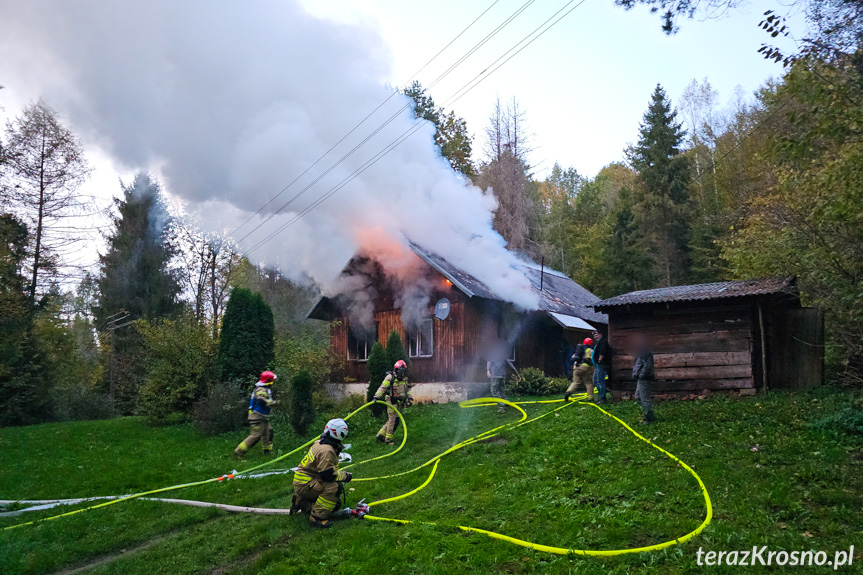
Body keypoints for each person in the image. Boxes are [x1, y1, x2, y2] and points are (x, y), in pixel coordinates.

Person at [290, 418, 353, 528]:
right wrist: (345, 476)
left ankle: (303, 502)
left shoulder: (319, 442)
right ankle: (317, 517)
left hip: (305, 480)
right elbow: (328, 476)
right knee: (334, 487)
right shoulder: (327, 450)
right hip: (306, 484)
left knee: (335, 504)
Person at [234, 371, 278, 458]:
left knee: (268, 432)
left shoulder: (265, 388)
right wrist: (272, 403)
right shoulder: (261, 389)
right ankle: (239, 451)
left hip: (262, 417)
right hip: (257, 416)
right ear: (269, 381)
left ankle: (267, 451)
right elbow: (260, 399)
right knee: (256, 435)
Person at [373, 359, 412, 445]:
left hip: (399, 402)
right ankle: (388, 440)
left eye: (402, 371)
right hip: (391, 401)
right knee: (392, 419)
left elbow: (407, 390)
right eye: (399, 371)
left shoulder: (405, 379)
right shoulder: (390, 377)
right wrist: (376, 397)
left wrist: (410, 399)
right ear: (395, 369)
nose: (401, 373)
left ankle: (381, 434)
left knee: (396, 420)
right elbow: (382, 388)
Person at [632, 335, 656, 424]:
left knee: (644, 398)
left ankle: (649, 418)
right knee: (638, 397)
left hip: (645, 378)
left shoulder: (646, 353)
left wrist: (642, 375)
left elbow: (647, 366)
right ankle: (650, 412)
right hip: (640, 378)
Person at [591, 330, 612, 404]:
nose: (595, 336)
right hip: (598, 365)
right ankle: (601, 395)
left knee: (600, 381)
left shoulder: (603, 342)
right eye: (594, 335)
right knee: (595, 380)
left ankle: (602, 398)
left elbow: (602, 351)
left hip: (601, 364)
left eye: (596, 334)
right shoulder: (599, 342)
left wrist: (600, 359)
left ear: (601, 334)